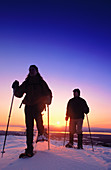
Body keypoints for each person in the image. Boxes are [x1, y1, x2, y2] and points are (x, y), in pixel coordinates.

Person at [12, 65, 52, 157]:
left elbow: (48, 92)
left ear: (37, 71)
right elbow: (19, 94)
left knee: (38, 121)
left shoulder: (41, 82)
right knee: (29, 128)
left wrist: (48, 99)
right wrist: (15, 88)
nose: (31, 71)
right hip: (28, 106)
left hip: (38, 106)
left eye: (33, 70)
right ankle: (29, 149)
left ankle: (41, 133)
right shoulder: (27, 82)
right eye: (30, 70)